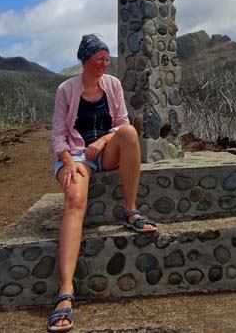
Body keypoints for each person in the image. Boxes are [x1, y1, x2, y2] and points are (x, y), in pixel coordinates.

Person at [47, 33, 156, 333]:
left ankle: (131, 210)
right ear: (85, 61)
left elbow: (121, 123)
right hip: (75, 156)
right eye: (99, 60)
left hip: (104, 152)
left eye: (107, 60)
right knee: (75, 200)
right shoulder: (66, 90)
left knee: (130, 134)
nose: (104, 65)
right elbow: (58, 136)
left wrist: (105, 140)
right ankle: (65, 293)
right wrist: (69, 163)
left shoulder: (113, 85)